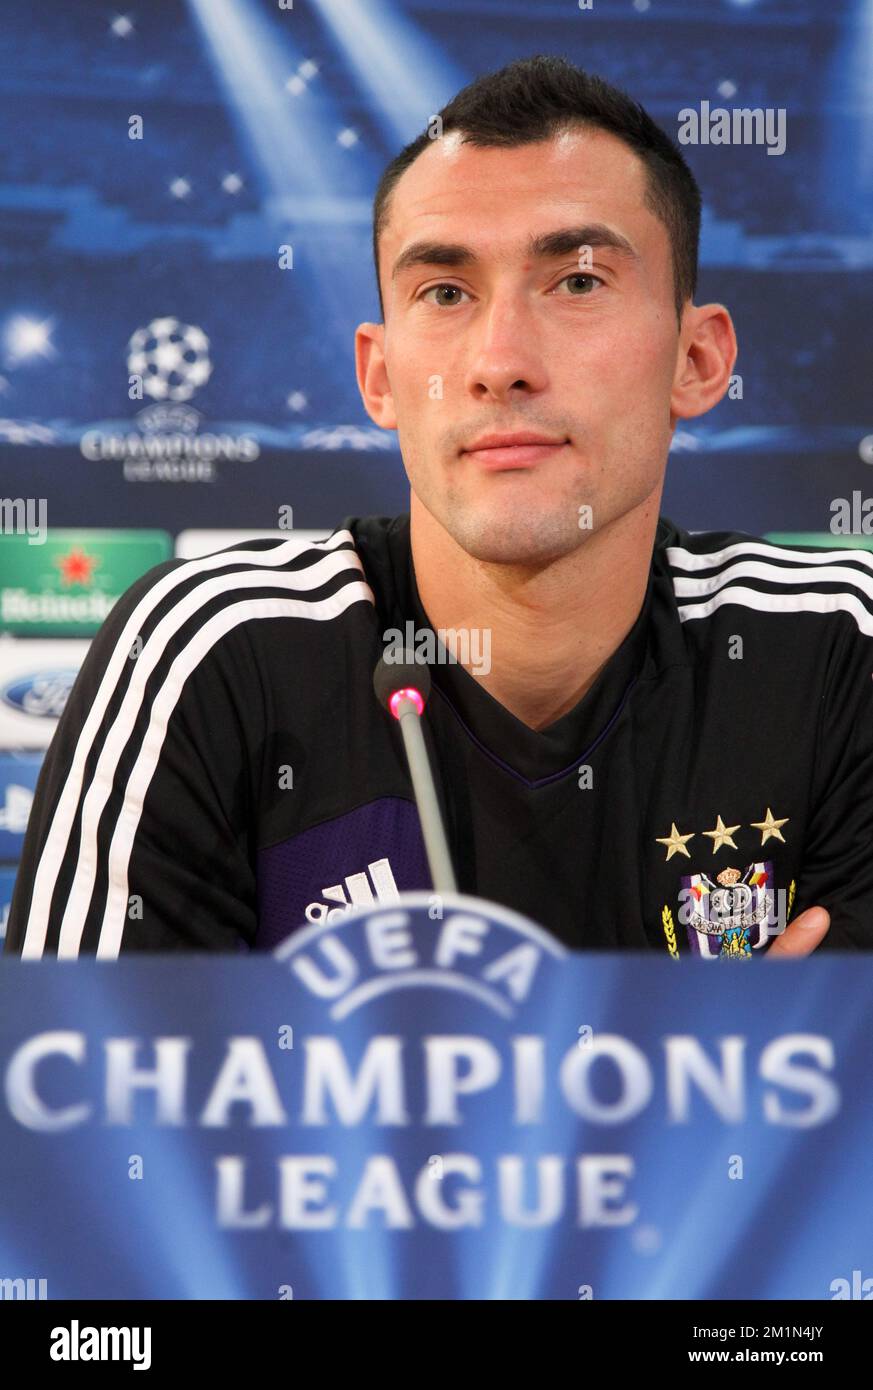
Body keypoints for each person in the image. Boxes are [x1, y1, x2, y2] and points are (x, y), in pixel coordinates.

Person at [6, 56, 870, 958]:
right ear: (379, 377)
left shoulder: (844, 651)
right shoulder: (209, 652)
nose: (500, 361)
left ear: (697, 361)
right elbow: (76, 1088)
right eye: (445, 292)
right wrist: (724, 1068)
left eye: (577, 282)